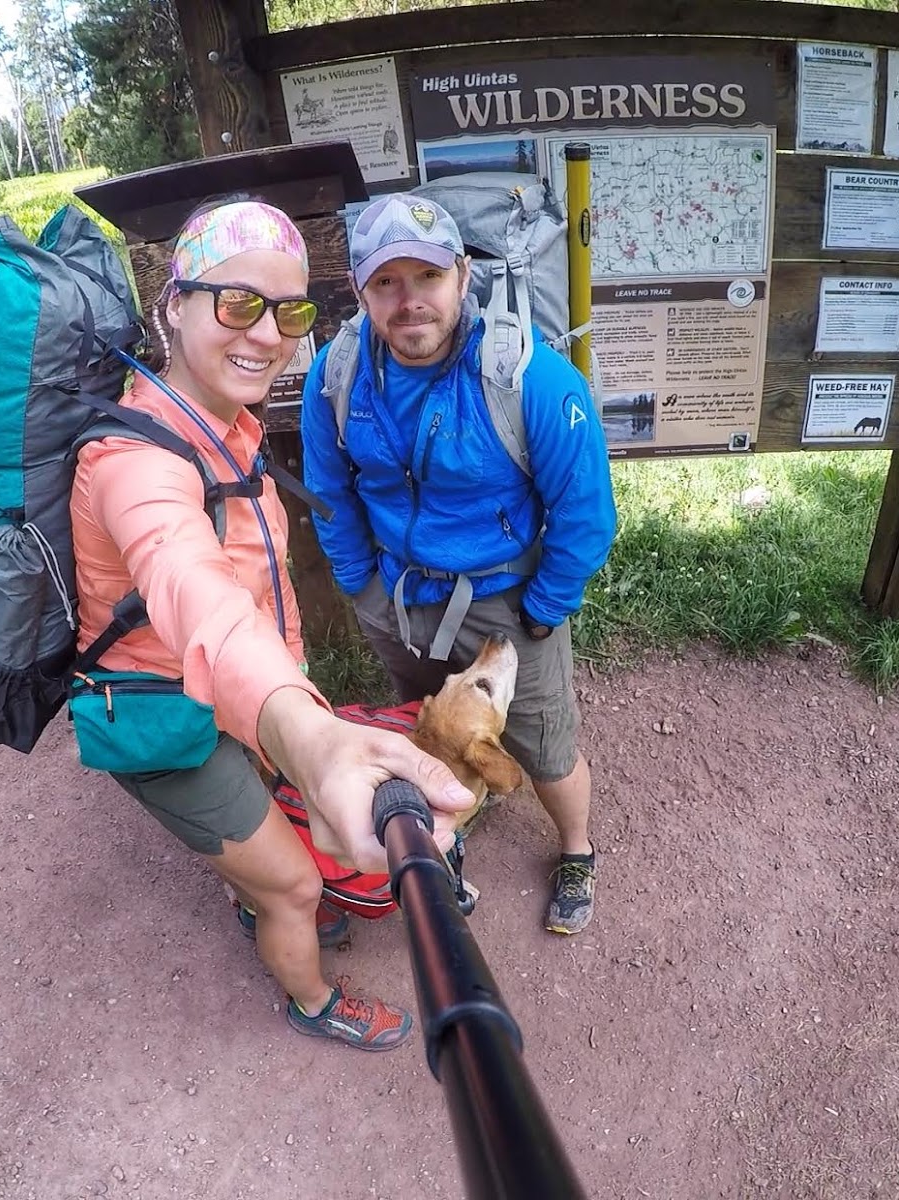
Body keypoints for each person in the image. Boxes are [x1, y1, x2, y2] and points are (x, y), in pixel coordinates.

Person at [70, 197, 476, 1051]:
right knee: (295, 886)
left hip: (237, 692)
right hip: (169, 720)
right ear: (171, 305)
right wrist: (310, 733)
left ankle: (243, 875)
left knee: (264, 832)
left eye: (289, 311)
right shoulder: (134, 463)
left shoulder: (222, 427)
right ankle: (311, 998)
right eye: (237, 302)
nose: (268, 334)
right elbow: (190, 585)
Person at [300, 193, 618, 935]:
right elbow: (329, 491)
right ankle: (452, 811)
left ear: (463, 275)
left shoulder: (528, 377)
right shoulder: (336, 375)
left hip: (507, 603)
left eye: (427, 277)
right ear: (360, 290)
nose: (409, 302)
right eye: (387, 283)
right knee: (427, 729)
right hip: (398, 597)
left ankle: (575, 848)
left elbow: (584, 509)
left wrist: (544, 607)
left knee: (543, 745)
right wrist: (362, 585)